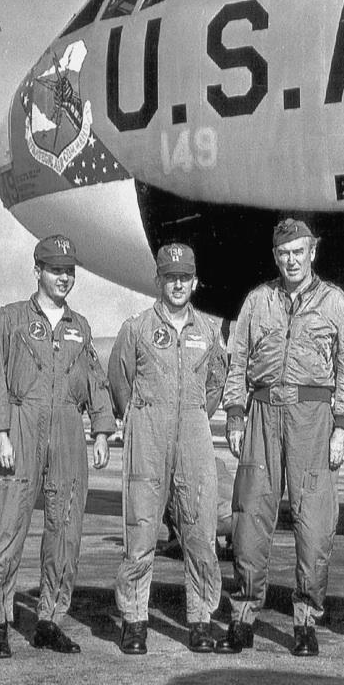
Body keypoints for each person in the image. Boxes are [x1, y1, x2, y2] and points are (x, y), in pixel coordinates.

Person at [217, 218, 344, 657]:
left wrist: (343, 425)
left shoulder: (337, 303)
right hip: (262, 412)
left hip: (313, 418)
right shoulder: (257, 301)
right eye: (283, 252)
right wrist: (236, 415)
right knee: (249, 520)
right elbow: (237, 356)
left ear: (312, 252)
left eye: (299, 251)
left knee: (315, 524)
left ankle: (305, 621)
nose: (291, 259)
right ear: (275, 256)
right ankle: (243, 616)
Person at [0, 235, 114, 659]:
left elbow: (94, 379)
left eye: (69, 271)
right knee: (8, 526)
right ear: (38, 271)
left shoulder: (80, 327)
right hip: (21, 426)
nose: (63, 278)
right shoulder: (8, 320)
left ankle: (50, 619)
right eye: (55, 270)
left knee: (66, 528)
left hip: (68, 429)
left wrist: (102, 429)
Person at [107, 243, 228, 655]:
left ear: (194, 281)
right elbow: (119, 378)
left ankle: (200, 620)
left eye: (184, 277)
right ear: (158, 281)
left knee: (199, 533)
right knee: (140, 531)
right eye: (169, 277)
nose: (177, 284)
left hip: (193, 437)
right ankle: (135, 621)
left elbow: (215, 385)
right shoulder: (136, 328)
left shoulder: (209, 332)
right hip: (148, 437)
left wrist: (193, 416)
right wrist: (141, 417)